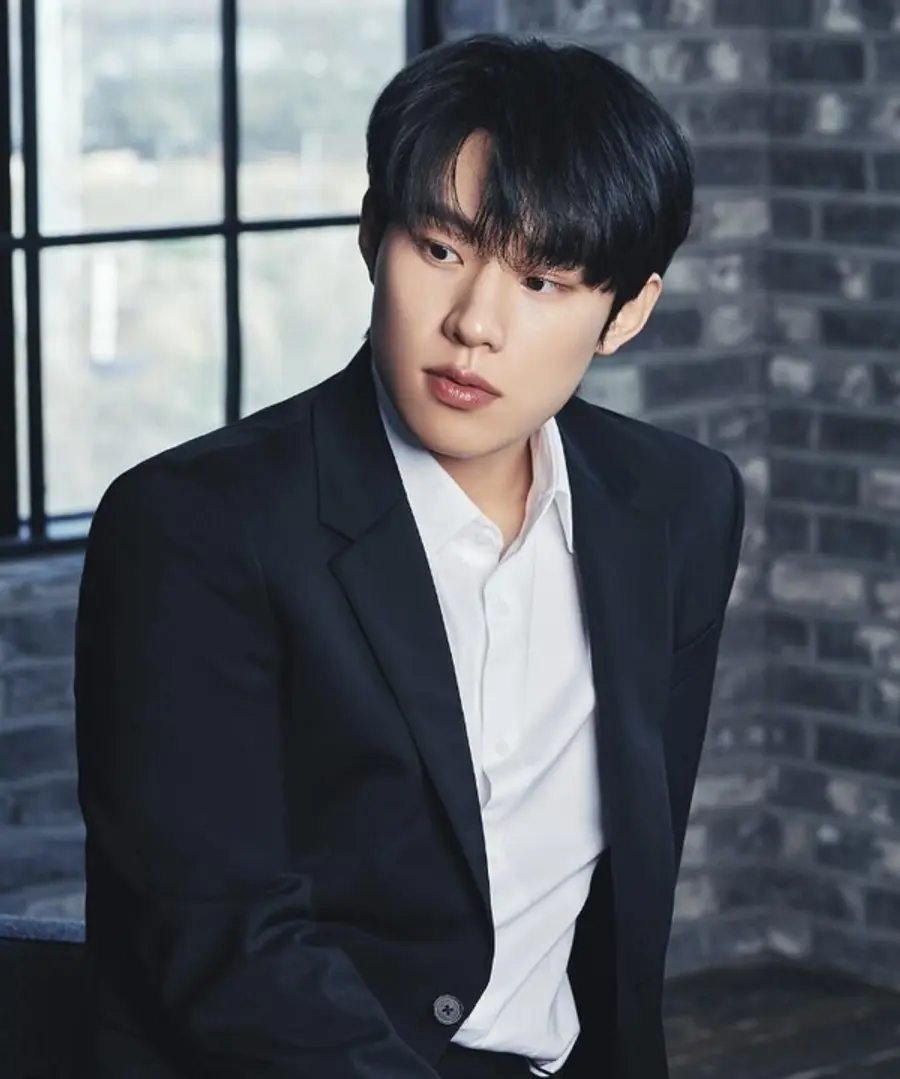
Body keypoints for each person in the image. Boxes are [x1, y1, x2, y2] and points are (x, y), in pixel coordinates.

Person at [73, 33, 745, 1079]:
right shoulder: (192, 526)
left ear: (628, 312)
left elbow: (623, 908)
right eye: (440, 249)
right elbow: (225, 942)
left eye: (543, 278)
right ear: (370, 234)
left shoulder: (678, 506)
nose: (475, 323)